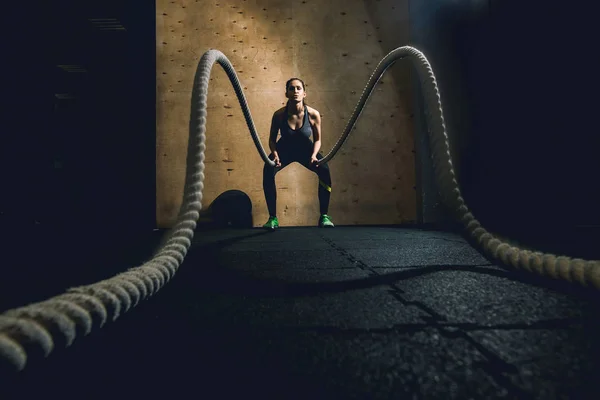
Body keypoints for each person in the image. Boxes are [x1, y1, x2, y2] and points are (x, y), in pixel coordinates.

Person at [262, 78, 334, 230]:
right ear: (286, 93)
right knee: (268, 169)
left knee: (325, 170)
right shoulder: (279, 115)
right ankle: (272, 218)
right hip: (284, 149)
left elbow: (318, 140)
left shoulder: (313, 114)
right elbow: (272, 140)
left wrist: (314, 155)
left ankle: (324, 216)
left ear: (304, 93)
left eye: (298, 88)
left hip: (305, 150)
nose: (295, 91)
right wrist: (275, 154)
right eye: (291, 89)